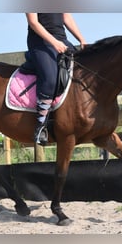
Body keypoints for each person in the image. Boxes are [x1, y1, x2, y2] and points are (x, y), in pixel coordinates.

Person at [25, 13, 87, 145]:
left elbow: (66, 17)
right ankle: (40, 125)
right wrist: (54, 43)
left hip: (62, 40)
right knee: (50, 79)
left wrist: (81, 39)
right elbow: (33, 23)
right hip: (40, 42)